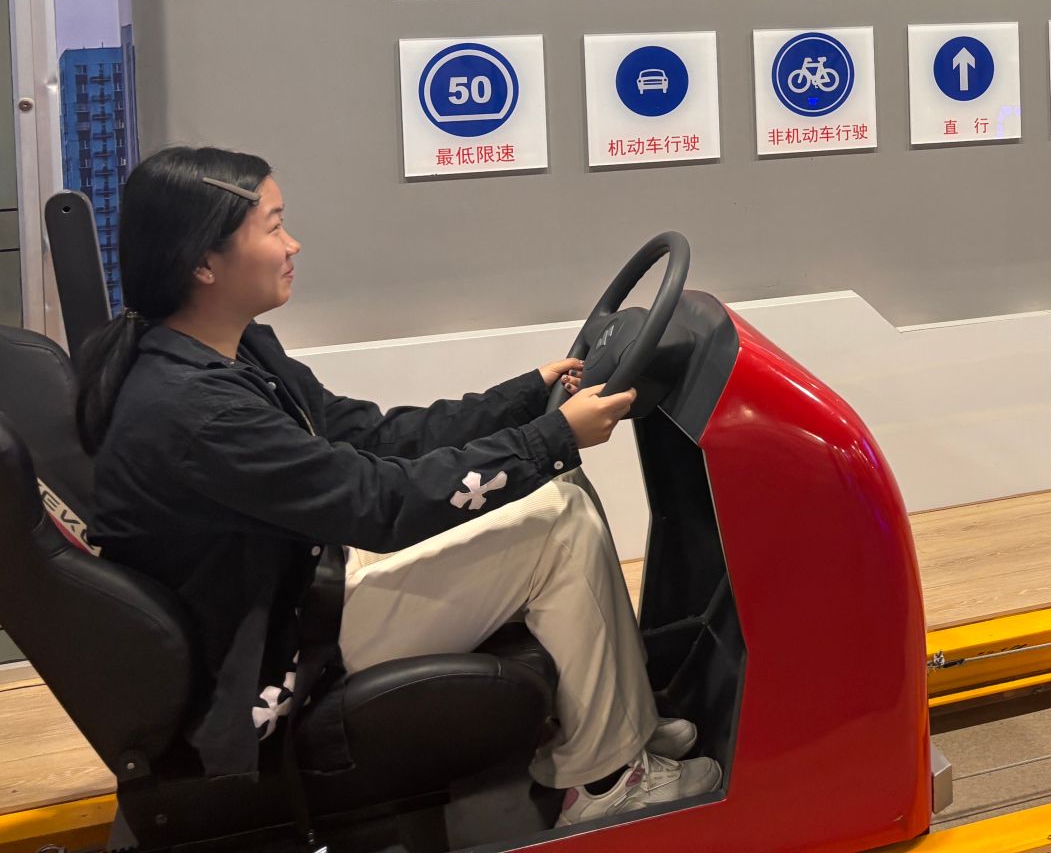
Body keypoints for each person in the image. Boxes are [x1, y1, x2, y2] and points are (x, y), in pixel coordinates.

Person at [76, 146, 719, 827]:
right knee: (557, 523)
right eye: (273, 227)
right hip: (277, 643)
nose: (293, 245)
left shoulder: (236, 351)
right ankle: (608, 782)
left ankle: (620, 724)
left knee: (558, 492)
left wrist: (527, 398)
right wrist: (551, 438)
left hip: (299, 580)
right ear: (204, 263)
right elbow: (380, 504)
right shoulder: (196, 412)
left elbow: (372, 435)